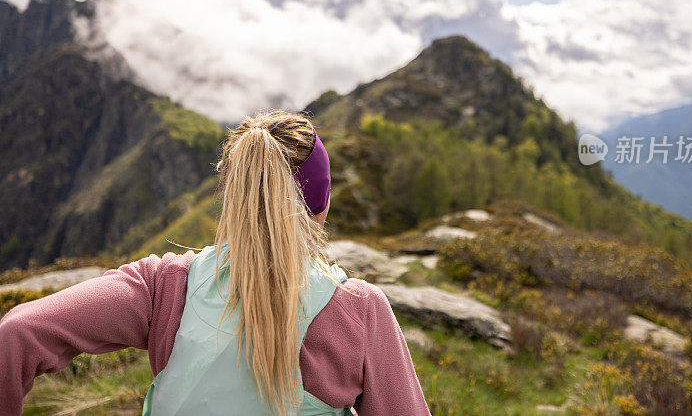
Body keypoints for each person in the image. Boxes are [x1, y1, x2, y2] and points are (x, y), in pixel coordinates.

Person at [0, 110, 431, 416]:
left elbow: (16, 333)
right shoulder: (358, 312)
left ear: (234, 199)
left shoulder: (165, 285)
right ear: (321, 205)